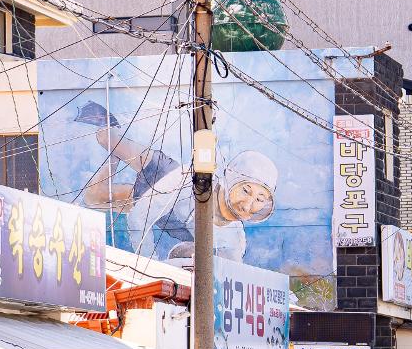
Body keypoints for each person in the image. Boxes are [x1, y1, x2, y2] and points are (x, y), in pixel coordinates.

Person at [75, 100, 277, 264]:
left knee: (93, 198)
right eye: (246, 191)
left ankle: (114, 154)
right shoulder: (194, 183)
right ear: (231, 179)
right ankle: (112, 132)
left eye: (260, 199)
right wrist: (149, 265)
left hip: (162, 212)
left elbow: (228, 273)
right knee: (106, 138)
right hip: (161, 172)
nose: (248, 204)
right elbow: (139, 218)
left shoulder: (235, 239)